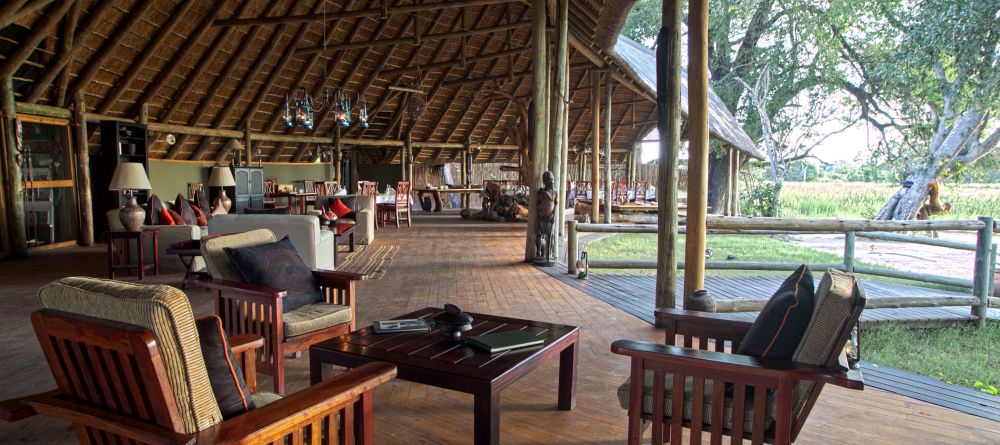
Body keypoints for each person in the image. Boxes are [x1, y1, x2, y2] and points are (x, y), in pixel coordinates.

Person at [535, 171, 558, 262]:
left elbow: (556, 204)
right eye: (549, 181)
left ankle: (550, 254)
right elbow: (538, 206)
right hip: (541, 217)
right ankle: (539, 254)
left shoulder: (555, 192)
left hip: (550, 218)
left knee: (551, 235)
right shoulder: (540, 193)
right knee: (538, 235)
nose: (551, 182)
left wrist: (554, 215)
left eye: (552, 180)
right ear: (545, 181)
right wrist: (544, 199)